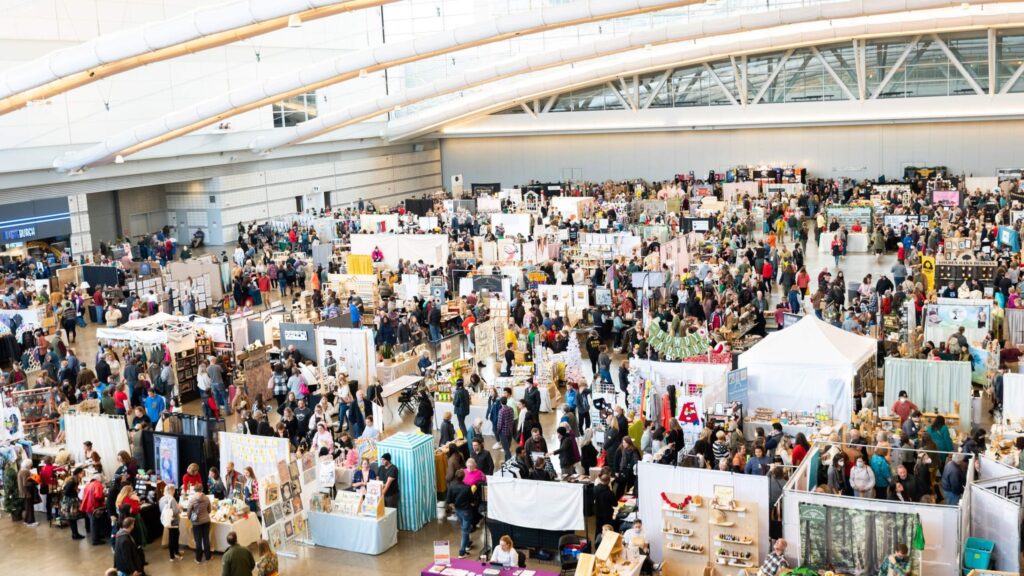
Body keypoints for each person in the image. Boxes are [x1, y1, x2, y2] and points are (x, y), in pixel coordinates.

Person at [446, 469, 475, 559]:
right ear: (464, 477)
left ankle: (467, 544)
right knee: (465, 531)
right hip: (466, 511)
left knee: (464, 527)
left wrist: (454, 507)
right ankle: (462, 552)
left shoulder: (451, 486)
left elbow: (449, 500)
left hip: (458, 511)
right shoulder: (467, 488)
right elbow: (472, 501)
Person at [187, 485, 212, 563]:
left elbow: (189, 511)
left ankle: (198, 559)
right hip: (206, 521)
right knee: (206, 539)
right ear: (202, 489)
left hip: (196, 523)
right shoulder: (207, 498)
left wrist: (189, 517)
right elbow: (209, 510)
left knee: (198, 541)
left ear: (194, 490)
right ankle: (208, 557)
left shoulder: (192, 500)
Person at [159, 484, 184, 561]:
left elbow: (161, 510)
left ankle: (175, 553)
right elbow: (176, 511)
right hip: (174, 521)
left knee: (172, 536)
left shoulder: (162, 499)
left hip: (166, 521)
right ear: (171, 490)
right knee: (174, 538)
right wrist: (179, 508)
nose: (174, 492)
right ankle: (174, 555)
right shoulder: (172, 499)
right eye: (173, 490)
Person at [17, 459, 38, 526]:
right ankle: (30, 522)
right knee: (29, 507)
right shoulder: (25, 472)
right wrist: (34, 482)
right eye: (30, 465)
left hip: (23, 492)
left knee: (27, 507)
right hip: (27, 492)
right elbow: (25, 483)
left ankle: (27, 520)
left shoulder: (21, 470)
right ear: (28, 465)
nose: (31, 466)